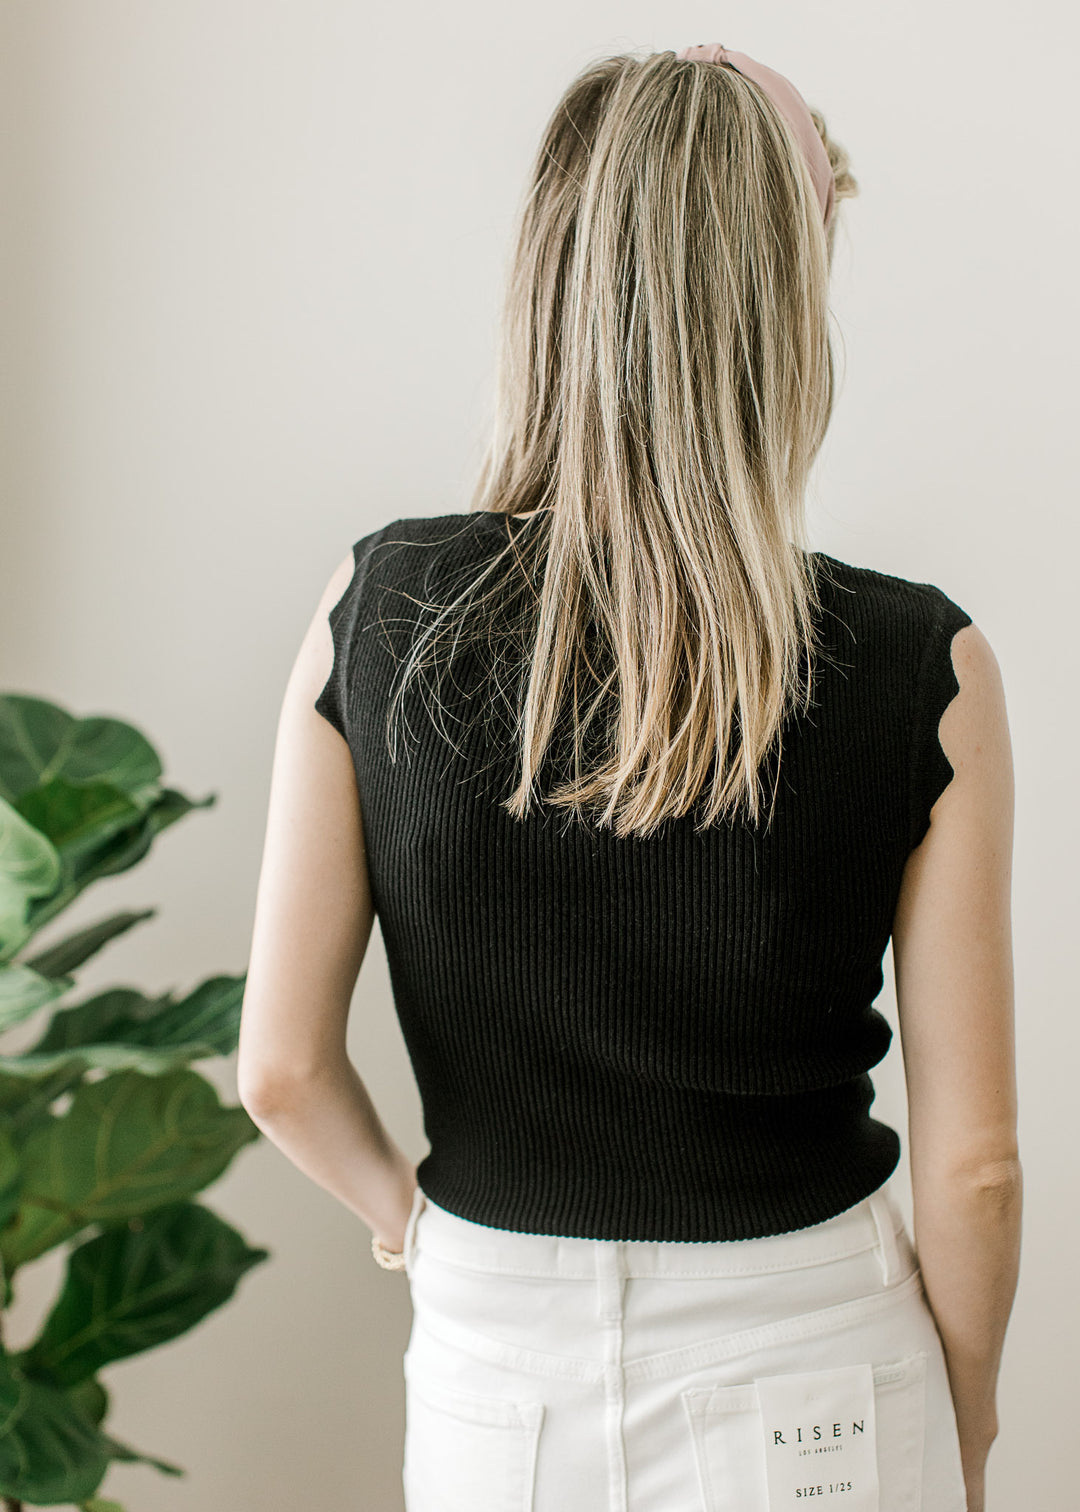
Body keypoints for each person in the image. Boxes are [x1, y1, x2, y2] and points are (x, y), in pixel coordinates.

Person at [237, 41, 1020, 1512]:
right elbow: (975, 1166)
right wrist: (970, 1428)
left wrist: (425, 1230)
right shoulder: (927, 664)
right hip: (818, 1370)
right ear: (788, 308)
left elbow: (279, 1066)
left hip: (494, 1369)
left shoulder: (379, 605)